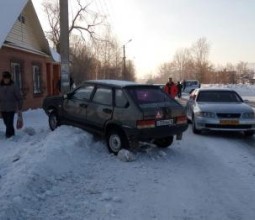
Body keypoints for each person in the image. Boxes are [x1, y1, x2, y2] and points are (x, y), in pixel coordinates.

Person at [0, 71, 23, 138]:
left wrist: (20, 106)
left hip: (11, 107)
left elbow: (19, 97)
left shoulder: (14, 86)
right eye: (5, 78)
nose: (6, 80)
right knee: (6, 122)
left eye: (7, 78)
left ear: (10, 78)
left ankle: (8, 135)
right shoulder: (0, 86)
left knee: (9, 122)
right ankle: (12, 134)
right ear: (3, 78)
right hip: (3, 107)